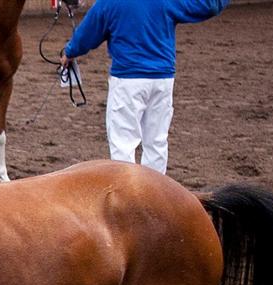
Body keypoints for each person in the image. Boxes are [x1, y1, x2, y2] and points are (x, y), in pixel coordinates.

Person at [60, 0, 228, 174]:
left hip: (128, 79)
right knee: (156, 141)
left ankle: (126, 192)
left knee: (123, 143)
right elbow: (208, 6)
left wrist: (70, 52)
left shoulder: (109, 2)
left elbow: (88, 32)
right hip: (162, 78)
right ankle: (154, 193)